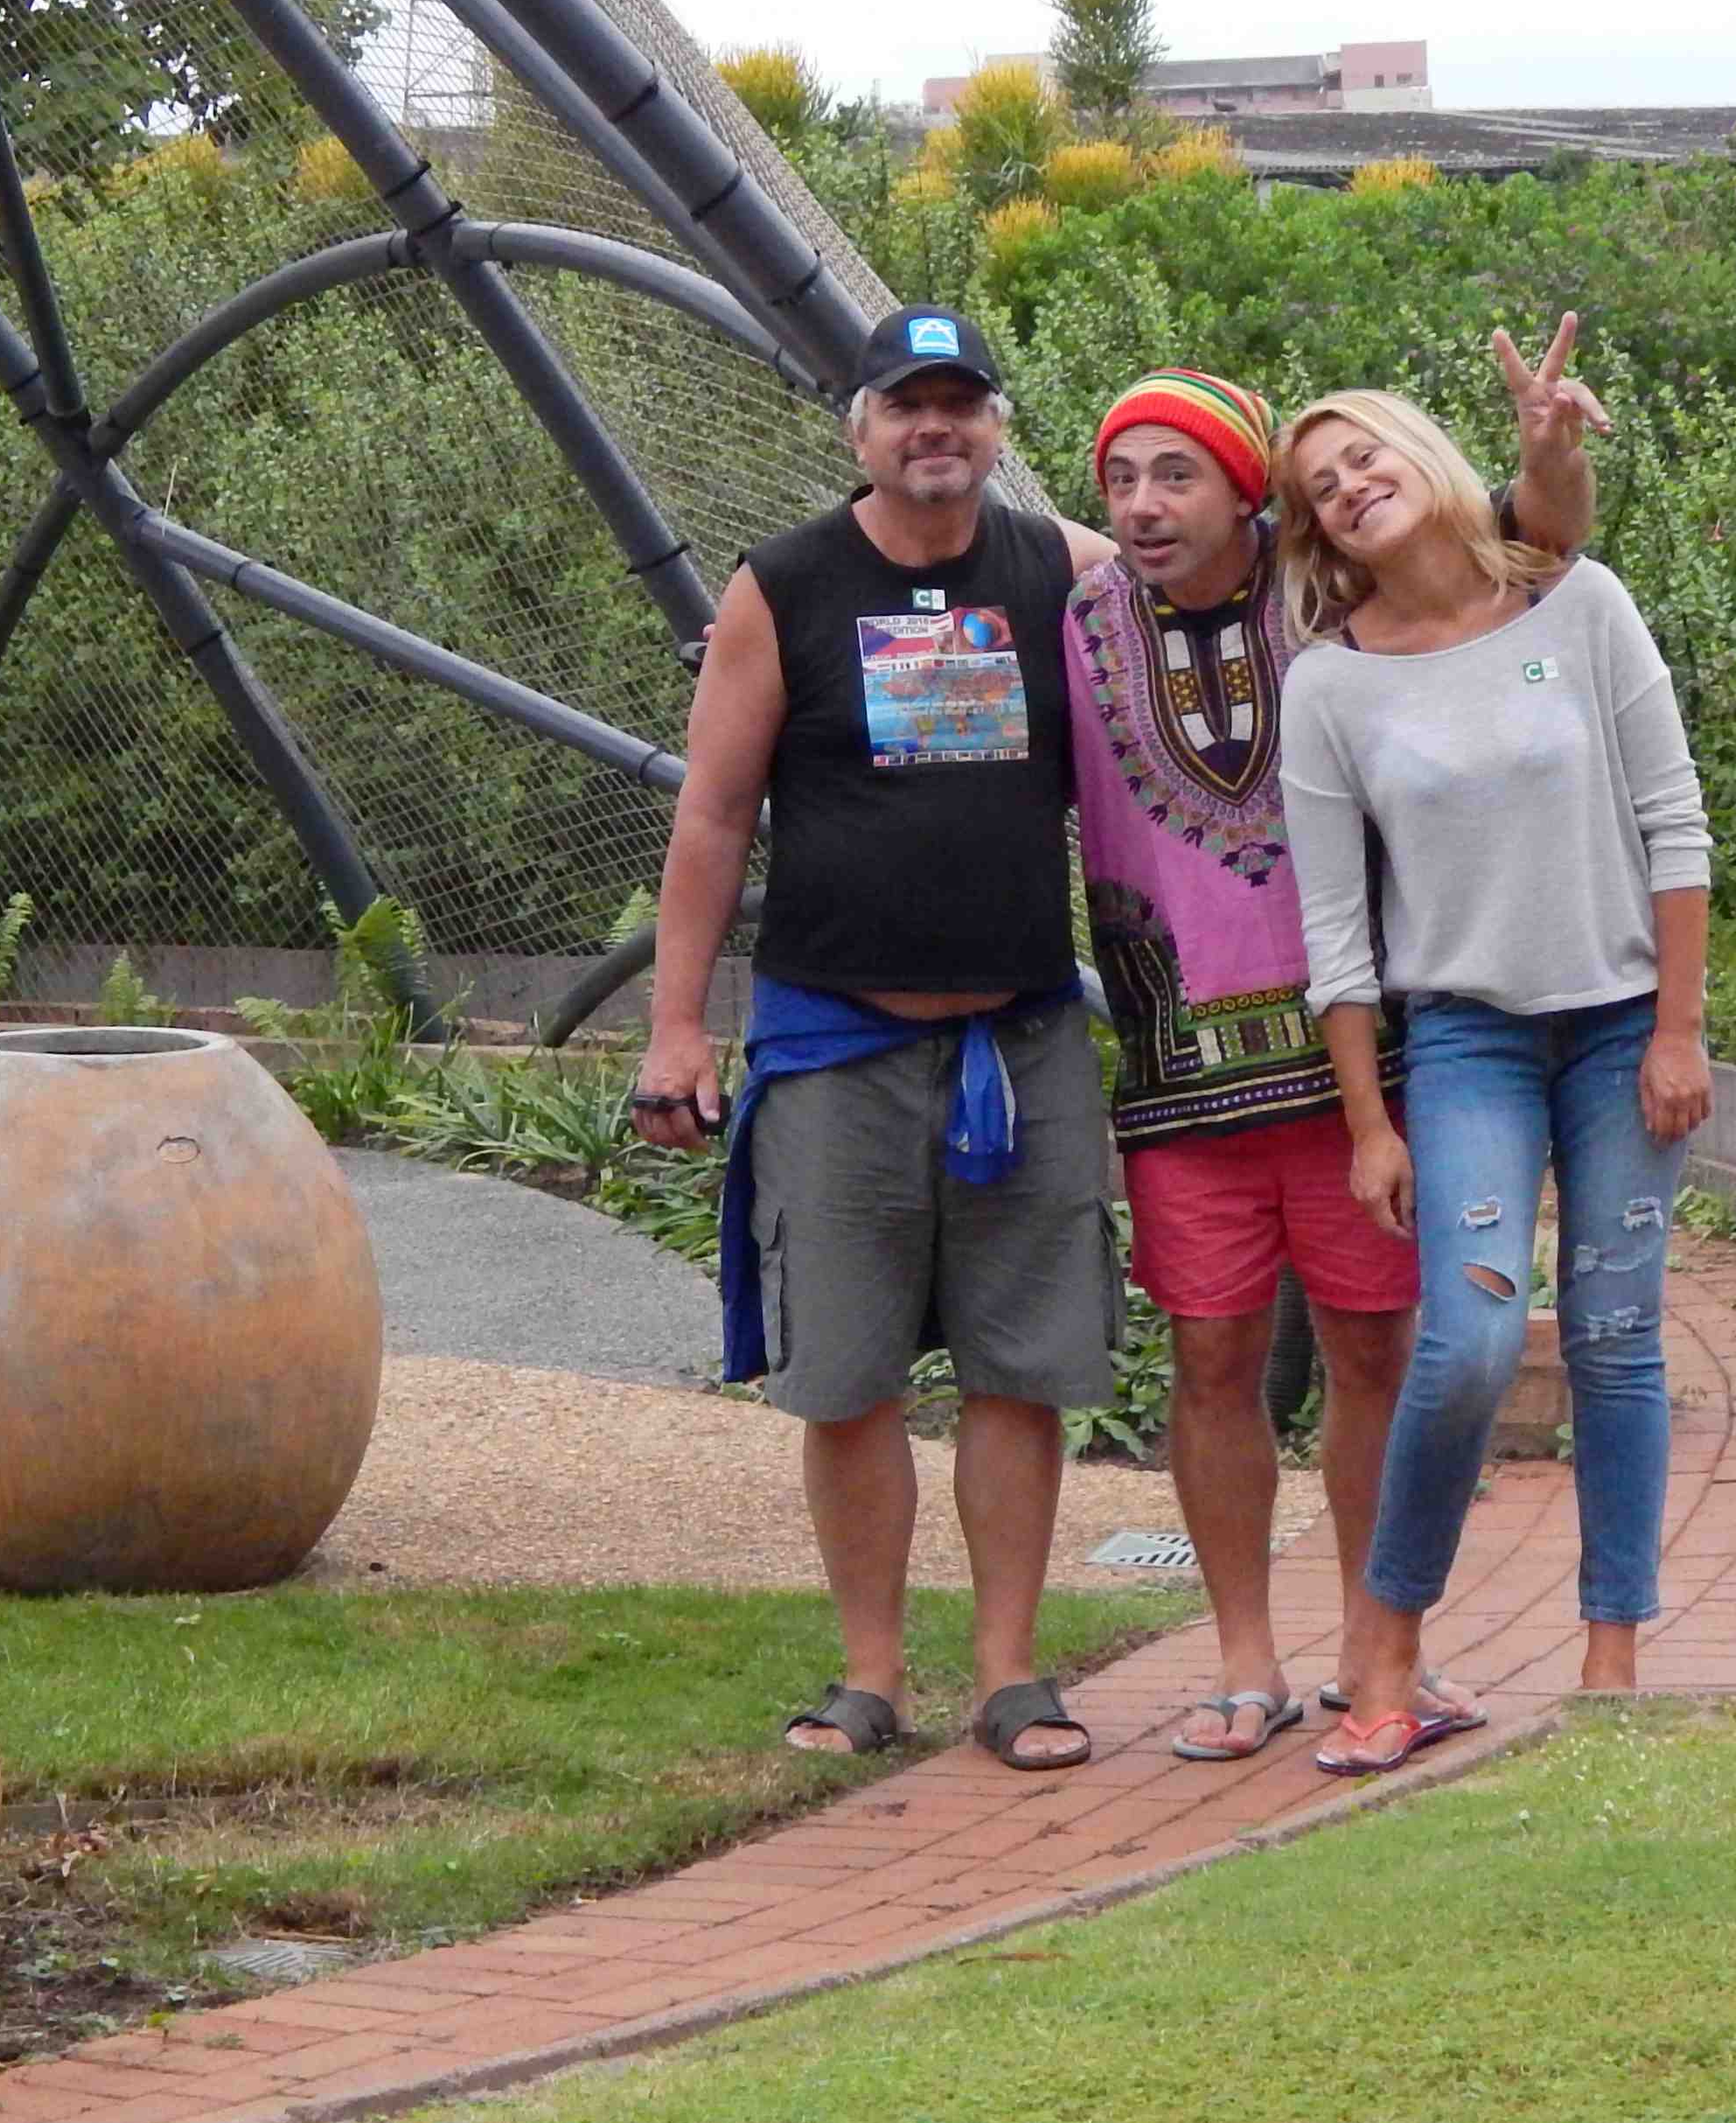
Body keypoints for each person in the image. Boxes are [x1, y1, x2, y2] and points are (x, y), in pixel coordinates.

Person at [1068, 326, 1605, 1760]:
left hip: (1363, 1059)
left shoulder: (1335, 599)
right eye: (1121, 479)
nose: (1143, 505)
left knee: (1380, 1354)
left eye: (1177, 474)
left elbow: (1525, 543)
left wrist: (1548, 451)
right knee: (1211, 1358)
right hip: (1179, 1072)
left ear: (1249, 493)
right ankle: (1243, 1657)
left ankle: (1384, 1650)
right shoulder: (1075, 622)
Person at [630, 306, 1118, 1770]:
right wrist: (675, 1029)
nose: (936, 428)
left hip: (1020, 1044)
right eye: (909, 404)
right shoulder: (785, 586)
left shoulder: (1066, 571)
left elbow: (1222, 596)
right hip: (838, 1048)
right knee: (846, 1379)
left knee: (1019, 1371)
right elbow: (715, 814)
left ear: (998, 428)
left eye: (962, 403)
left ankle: (1012, 1678)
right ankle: (869, 1678)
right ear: (861, 428)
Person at [1272, 388, 1716, 1778]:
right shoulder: (1329, 685)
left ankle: (1612, 1664)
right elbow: (1336, 934)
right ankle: (1389, 1656)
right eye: (1322, 487)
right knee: (1466, 1343)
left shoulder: (1582, 607)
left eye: (1365, 456)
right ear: (1318, 534)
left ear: (1422, 454)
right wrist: (1368, 1124)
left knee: (1615, 1336)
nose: (1351, 487)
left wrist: (1680, 1030)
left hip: (1622, 1025)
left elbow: (1675, 822)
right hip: (1468, 1039)